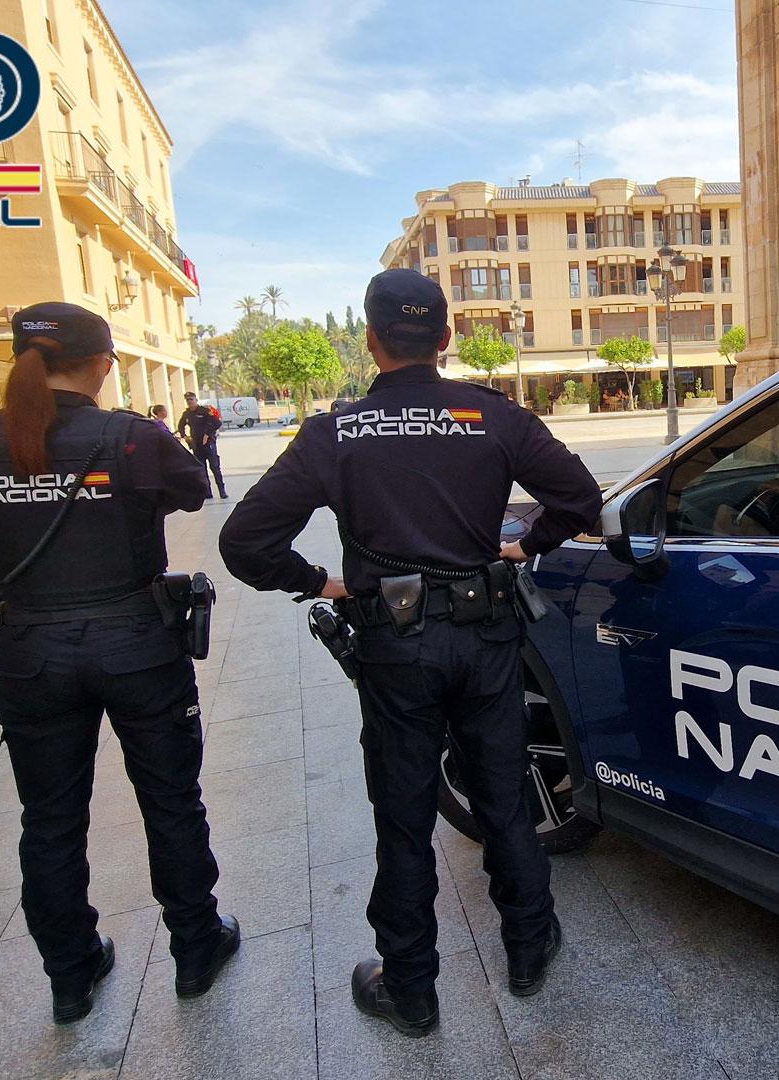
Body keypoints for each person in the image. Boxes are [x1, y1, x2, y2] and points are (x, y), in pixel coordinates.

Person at [217, 270, 602, 1038]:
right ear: (448, 338)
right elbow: (582, 501)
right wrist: (524, 546)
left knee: (402, 817)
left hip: (395, 648)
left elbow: (243, 542)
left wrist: (323, 584)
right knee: (503, 799)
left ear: (369, 339)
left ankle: (411, 988)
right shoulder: (494, 416)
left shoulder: (337, 432)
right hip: (487, 637)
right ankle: (528, 948)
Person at [0, 303, 241, 1025]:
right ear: (102, 363)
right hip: (136, 644)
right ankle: (196, 947)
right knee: (171, 801)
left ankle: (71, 975)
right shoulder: (132, 438)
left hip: (29, 654)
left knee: (48, 820)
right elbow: (189, 489)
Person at [176, 390, 226, 499]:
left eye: (191, 399)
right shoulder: (187, 414)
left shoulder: (204, 411)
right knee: (201, 469)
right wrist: (185, 436)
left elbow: (217, 423)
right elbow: (180, 426)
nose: (189, 402)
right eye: (187, 400)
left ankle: (222, 491)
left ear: (196, 400)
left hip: (208, 443)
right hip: (196, 445)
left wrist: (207, 434)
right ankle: (207, 492)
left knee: (215, 467)